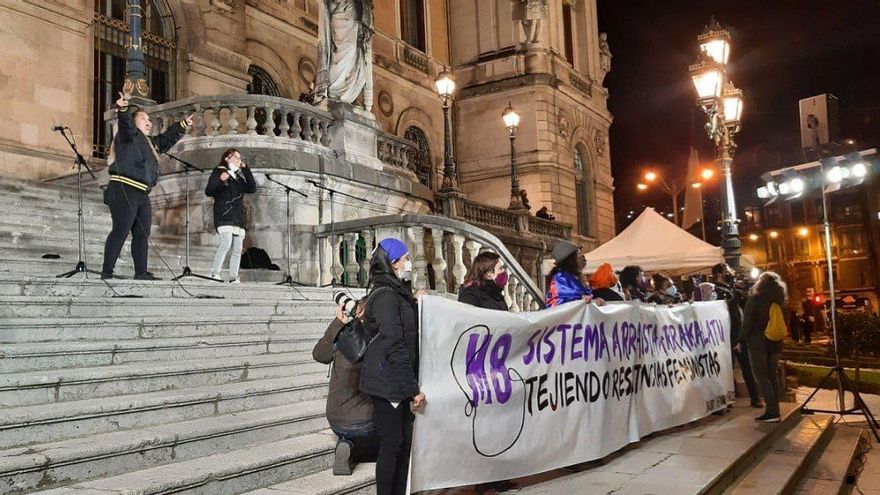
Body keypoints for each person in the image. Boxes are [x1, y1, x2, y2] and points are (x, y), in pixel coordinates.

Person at [359, 238, 425, 495]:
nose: (409, 263)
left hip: (393, 377)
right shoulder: (386, 296)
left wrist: (414, 303)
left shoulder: (394, 291)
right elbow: (395, 343)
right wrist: (412, 390)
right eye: (406, 258)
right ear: (394, 263)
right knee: (392, 443)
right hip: (387, 380)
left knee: (402, 443)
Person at [101, 92, 191, 280]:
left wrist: (182, 125)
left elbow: (167, 139)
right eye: (144, 118)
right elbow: (125, 123)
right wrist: (123, 109)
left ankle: (140, 273)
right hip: (124, 187)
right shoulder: (129, 135)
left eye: (149, 119)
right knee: (121, 230)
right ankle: (107, 272)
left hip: (142, 192)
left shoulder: (151, 143)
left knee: (142, 233)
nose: (149, 122)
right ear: (135, 122)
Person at [457, 252, 522, 494]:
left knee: (502, 425)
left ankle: (501, 476)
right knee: (485, 427)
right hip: (481, 368)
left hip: (500, 365)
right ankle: (483, 481)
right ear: (487, 270)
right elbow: (469, 326)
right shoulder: (470, 293)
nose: (504, 271)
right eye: (500, 267)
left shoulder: (496, 294)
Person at [312, 301, 378, 475]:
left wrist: (338, 322)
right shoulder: (377, 340)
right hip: (364, 421)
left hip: (334, 418)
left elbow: (318, 354)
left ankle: (346, 443)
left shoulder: (343, 336)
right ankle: (356, 451)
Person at [736, 271, 788, 422]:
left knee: (761, 377)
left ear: (761, 283)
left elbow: (747, 322)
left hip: (758, 342)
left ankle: (772, 412)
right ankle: (775, 409)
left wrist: (741, 340)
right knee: (772, 376)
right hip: (776, 342)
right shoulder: (780, 300)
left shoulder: (756, 299)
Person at [711, 263, 762, 409]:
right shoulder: (716, 289)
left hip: (737, 334)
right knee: (727, 369)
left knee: (746, 366)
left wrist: (746, 291)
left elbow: (742, 302)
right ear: (720, 273)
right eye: (726, 271)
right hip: (725, 335)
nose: (729, 273)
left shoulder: (730, 288)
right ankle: (726, 398)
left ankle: (754, 397)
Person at [205, 148, 257, 283]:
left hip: (238, 217)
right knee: (226, 243)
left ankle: (234, 277)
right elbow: (209, 191)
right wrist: (221, 180)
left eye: (240, 158)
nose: (239, 160)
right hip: (224, 213)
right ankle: (215, 273)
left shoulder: (238, 177)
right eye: (236, 157)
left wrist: (246, 169)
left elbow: (252, 188)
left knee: (238, 248)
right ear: (227, 158)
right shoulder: (219, 171)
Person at [545, 240, 601, 307]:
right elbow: (562, 295)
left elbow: (587, 293)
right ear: (571, 260)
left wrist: (596, 299)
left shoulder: (574, 277)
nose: (582, 256)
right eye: (578, 254)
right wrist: (581, 297)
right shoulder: (559, 277)